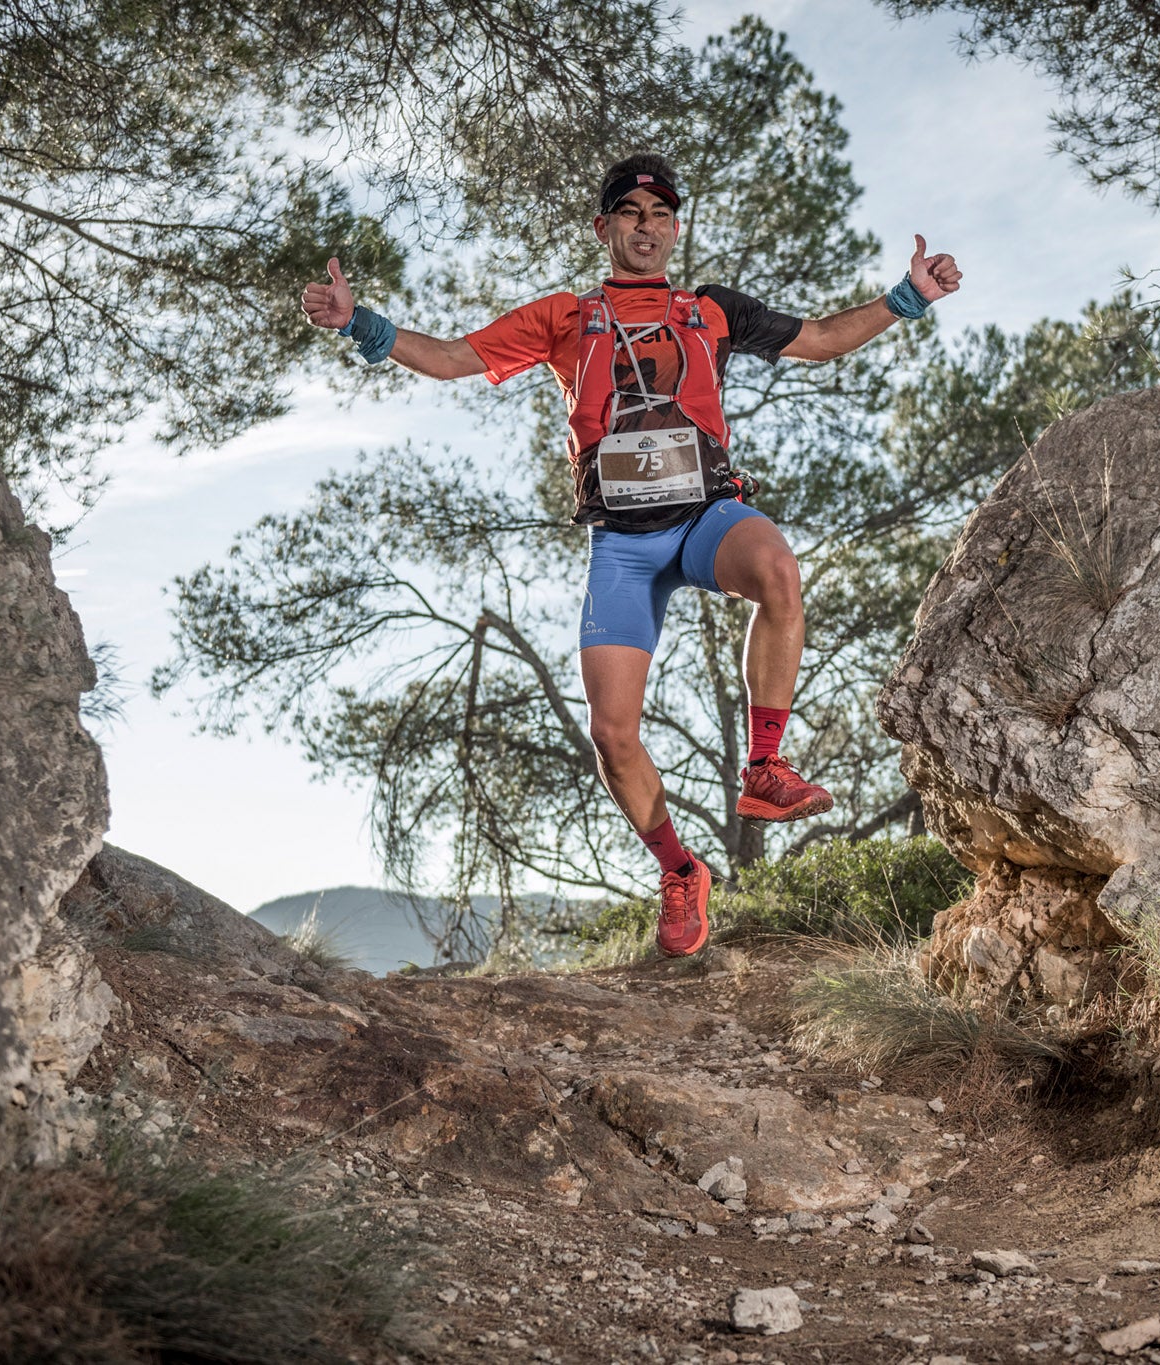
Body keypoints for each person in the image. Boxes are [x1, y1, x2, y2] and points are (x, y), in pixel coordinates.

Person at [301, 152, 961, 959]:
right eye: (630, 214)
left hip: (707, 519)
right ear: (604, 226)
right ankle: (681, 871)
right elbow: (449, 359)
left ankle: (764, 766)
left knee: (778, 570)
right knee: (613, 733)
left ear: (675, 229)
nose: (646, 228)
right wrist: (358, 321)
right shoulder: (563, 318)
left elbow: (821, 340)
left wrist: (910, 297)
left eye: (660, 216)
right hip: (623, 545)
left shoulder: (710, 310)